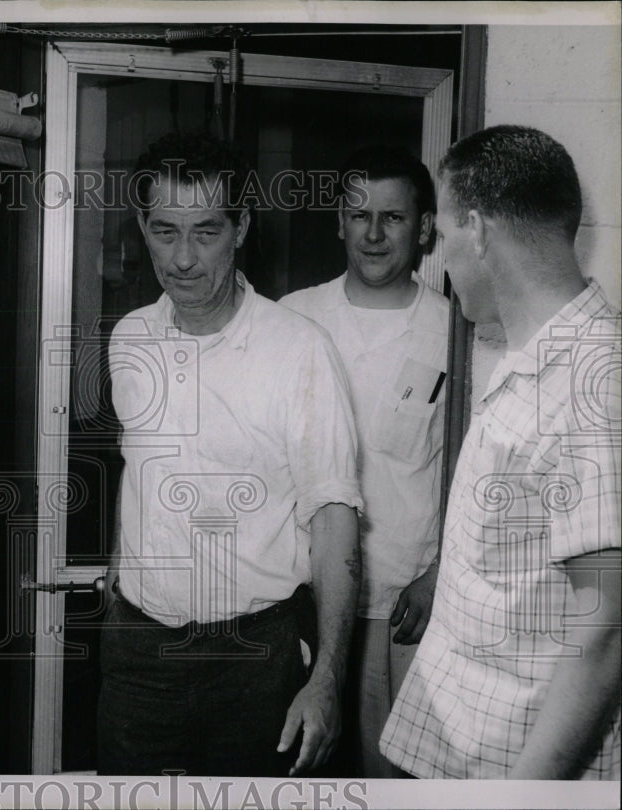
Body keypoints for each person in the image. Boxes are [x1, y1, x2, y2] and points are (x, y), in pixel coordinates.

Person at [97, 132, 364, 777]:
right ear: (142, 225)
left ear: (242, 227)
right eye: (164, 232)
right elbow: (140, 474)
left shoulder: (299, 349)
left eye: (207, 232)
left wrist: (327, 679)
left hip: (256, 659)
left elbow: (334, 518)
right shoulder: (129, 338)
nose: (184, 259)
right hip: (139, 653)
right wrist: (115, 586)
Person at [380, 125, 621, 779]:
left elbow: (605, 627)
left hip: (514, 774)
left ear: (480, 230)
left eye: (445, 234)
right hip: (464, 753)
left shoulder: (593, 380)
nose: (441, 259)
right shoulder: (535, 361)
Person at [280, 146, 449, 777]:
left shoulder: (455, 329)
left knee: (390, 778)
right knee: (296, 772)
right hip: (301, 596)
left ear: (426, 228)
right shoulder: (292, 318)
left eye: (394, 218)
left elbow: (473, 473)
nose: (373, 234)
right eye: (359, 215)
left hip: (405, 607)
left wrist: (439, 575)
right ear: (338, 222)